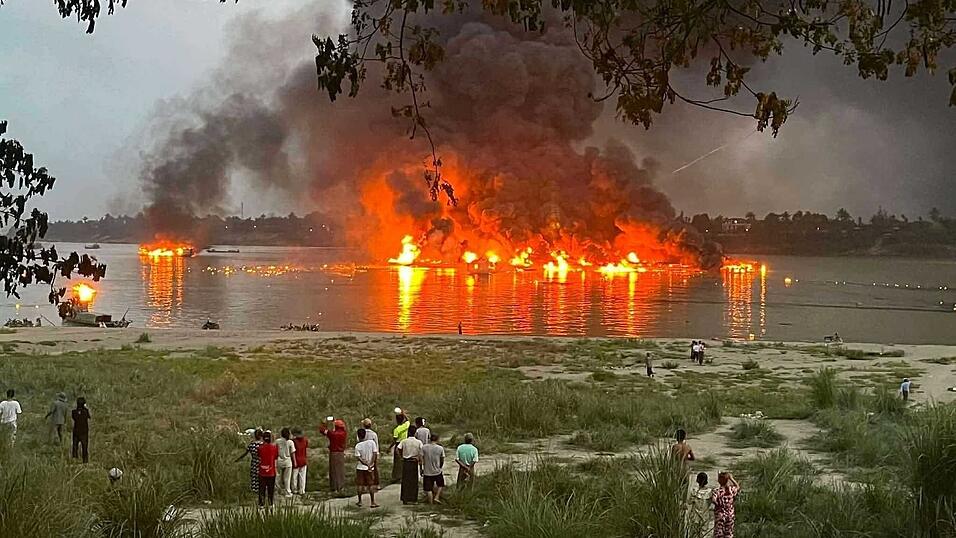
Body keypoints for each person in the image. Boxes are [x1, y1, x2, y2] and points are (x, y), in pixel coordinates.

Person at [319, 418, 348, 492]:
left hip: (334, 453)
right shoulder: (344, 433)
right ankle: (341, 486)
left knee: (334, 470)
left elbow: (322, 430)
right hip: (341, 453)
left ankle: (335, 487)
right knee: (340, 470)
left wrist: (323, 424)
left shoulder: (333, 434)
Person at [398, 424, 424, 504]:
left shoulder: (404, 441)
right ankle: (413, 499)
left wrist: (401, 456)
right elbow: (421, 453)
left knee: (405, 481)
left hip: (406, 462)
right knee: (413, 481)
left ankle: (405, 498)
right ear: (415, 433)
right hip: (414, 462)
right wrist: (420, 463)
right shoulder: (418, 442)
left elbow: (398, 449)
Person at [354, 428, 379, 508]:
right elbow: (374, 453)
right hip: (370, 467)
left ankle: (360, 501)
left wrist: (365, 463)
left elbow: (359, 457)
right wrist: (371, 463)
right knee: (370, 484)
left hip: (361, 467)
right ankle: (372, 502)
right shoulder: (372, 443)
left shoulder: (358, 446)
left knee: (360, 484)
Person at [711, 472, 740, 538]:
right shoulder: (731, 490)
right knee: (729, 533)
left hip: (720, 514)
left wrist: (718, 505)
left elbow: (713, 500)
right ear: (727, 480)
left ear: (719, 481)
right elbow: (737, 486)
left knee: (718, 533)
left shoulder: (717, 491)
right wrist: (731, 478)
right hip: (730, 514)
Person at [235, 429, 264, 494]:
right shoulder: (263, 445)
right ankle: (261, 491)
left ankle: (254, 491)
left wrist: (237, 459)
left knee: (254, 478)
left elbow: (244, 454)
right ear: (261, 436)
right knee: (261, 478)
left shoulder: (251, 445)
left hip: (254, 463)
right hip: (262, 463)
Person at [257, 431, 279, 509]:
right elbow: (276, 457)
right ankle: (270, 503)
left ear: (263, 438)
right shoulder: (274, 448)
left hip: (262, 471)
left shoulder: (260, 448)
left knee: (261, 489)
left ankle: (261, 504)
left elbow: (259, 456)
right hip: (271, 471)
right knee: (271, 489)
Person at [422, 432, 445, 504]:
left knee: (428, 489)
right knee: (440, 485)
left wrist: (422, 467)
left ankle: (430, 503)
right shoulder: (440, 448)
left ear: (429, 439)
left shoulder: (424, 447)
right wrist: (440, 466)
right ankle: (437, 497)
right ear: (437, 439)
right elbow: (442, 459)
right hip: (437, 470)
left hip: (427, 471)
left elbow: (421, 458)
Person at [389, 409, 410, 482]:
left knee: (397, 462)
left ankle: (397, 477)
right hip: (405, 444)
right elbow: (408, 421)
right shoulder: (406, 425)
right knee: (404, 460)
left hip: (398, 445)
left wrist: (389, 447)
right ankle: (404, 476)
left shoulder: (396, 429)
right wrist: (403, 414)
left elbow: (394, 440)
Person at [276, 427, 296, 497]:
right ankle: (288, 491)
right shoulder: (290, 442)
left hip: (279, 460)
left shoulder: (277, 441)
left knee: (278, 476)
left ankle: (278, 490)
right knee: (287, 478)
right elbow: (293, 453)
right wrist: (294, 461)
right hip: (287, 461)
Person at [71, 397, 91, 462]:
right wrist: (85, 407)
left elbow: (74, 418)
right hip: (84, 431)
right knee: (84, 446)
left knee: (75, 445)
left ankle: (74, 458)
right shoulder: (85, 411)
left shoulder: (74, 412)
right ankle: (85, 460)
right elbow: (89, 417)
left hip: (76, 431)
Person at [361, 418, 380, 487]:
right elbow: (376, 444)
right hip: (373, 453)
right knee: (374, 468)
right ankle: (376, 483)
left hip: (364, 452)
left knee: (364, 466)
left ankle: (365, 482)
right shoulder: (374, 434)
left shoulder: (362, 433)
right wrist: (377, 454)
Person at [292, 427, 309, 494]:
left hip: (296, 460)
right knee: (302, 477)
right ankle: (302, 490)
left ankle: (294, 489)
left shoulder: (294, 441)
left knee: (294, 477)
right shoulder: (305, 440)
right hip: (303, 459)